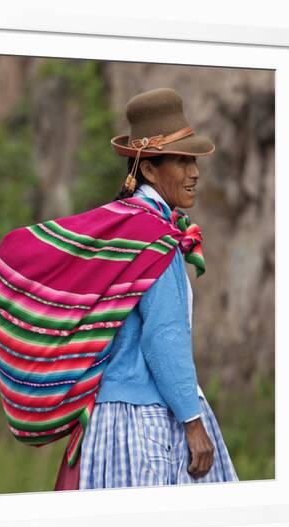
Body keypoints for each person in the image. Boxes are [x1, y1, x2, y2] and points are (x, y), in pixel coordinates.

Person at [72, 88, 239, 489]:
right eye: (182, 161)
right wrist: (192, 422)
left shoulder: (120, 231)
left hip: (107, 423)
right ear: (149, 170)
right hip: (147, 421)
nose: (195, 172)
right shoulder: (154, 239)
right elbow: (163, 337)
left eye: (194, 160)